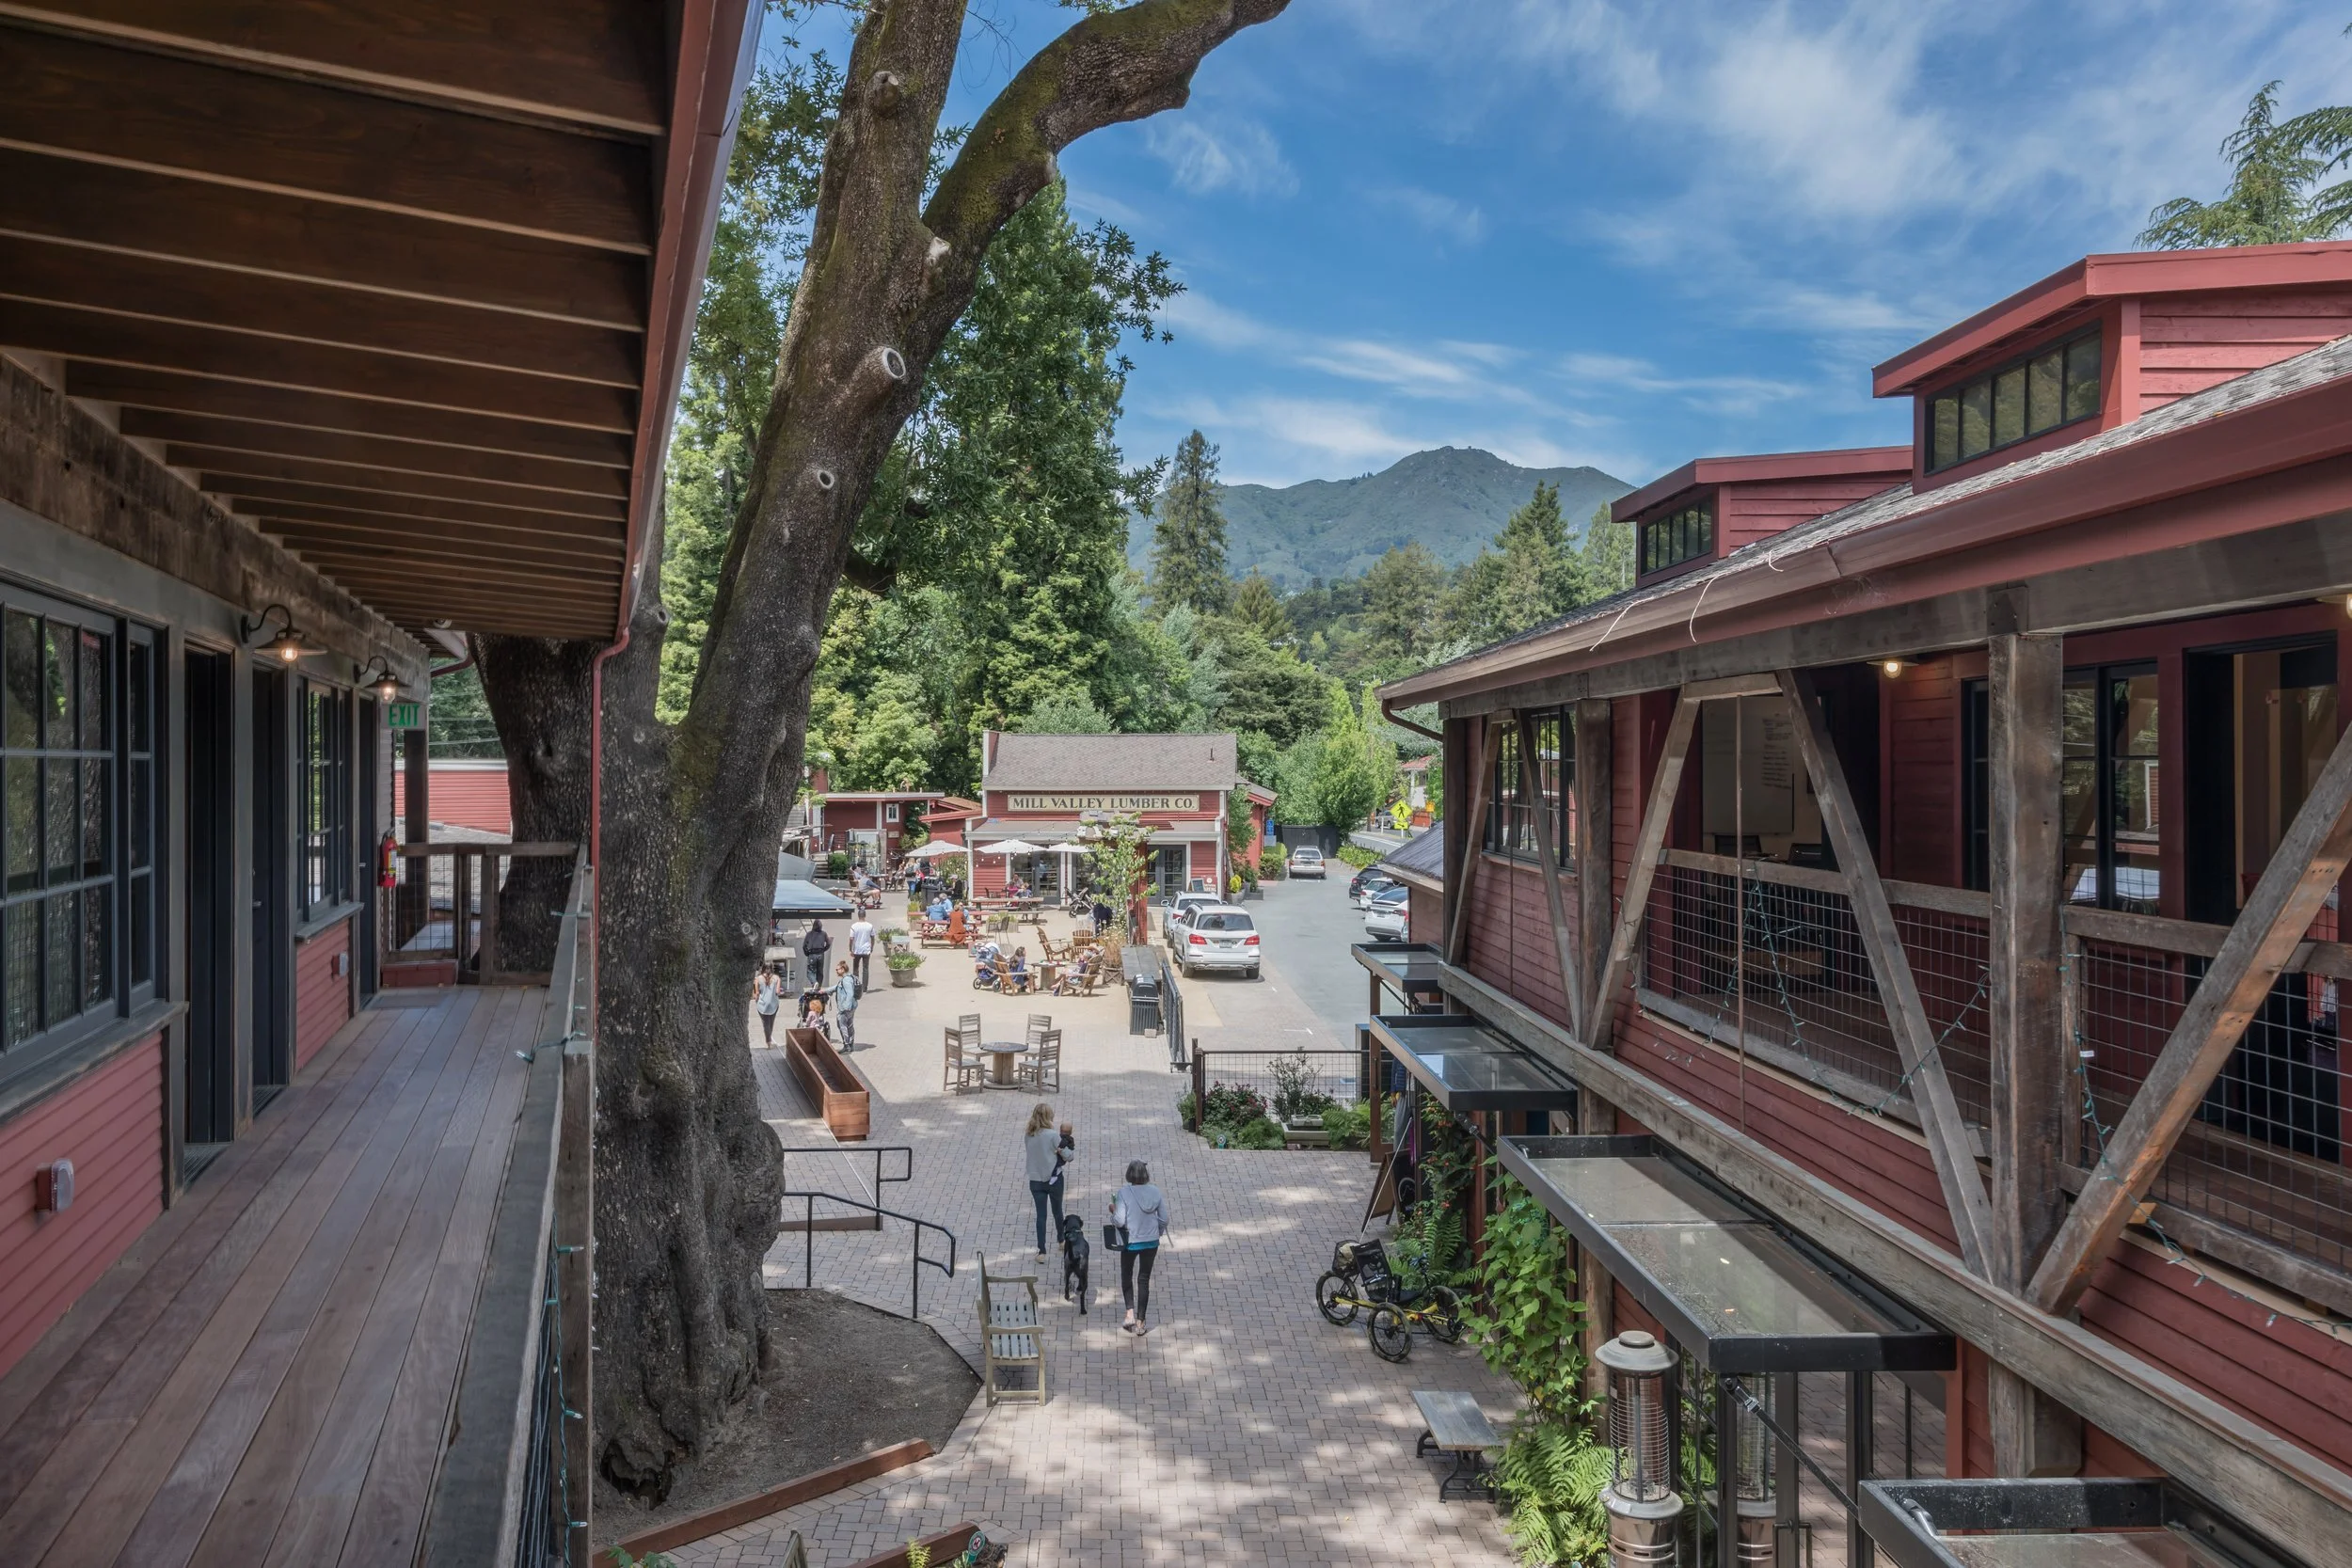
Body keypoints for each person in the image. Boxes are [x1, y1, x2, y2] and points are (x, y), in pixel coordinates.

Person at [1111, 1161, 1170, 1335]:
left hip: (1130, 1241)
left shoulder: (1124, 1193)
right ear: (1145, 1174)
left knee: (1127, 1274)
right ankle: (1141, 1322)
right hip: (1151, 1242)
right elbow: (1164, 1219)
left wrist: (1113, 1211)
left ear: (1129, 1174)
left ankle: (1129, 1312)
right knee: (1144, 1279)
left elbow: (1120, 1220)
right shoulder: (1155, 1191)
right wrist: (1157, 1232)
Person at [1025, 1102, 1063, 1263]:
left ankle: (1042, 1251)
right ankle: (1062, 1241)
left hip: (1035, 1179)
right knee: (1057, 1211)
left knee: (1041, 1216)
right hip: (1054, 1179)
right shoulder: (1053, 1135)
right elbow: (1068, 1155)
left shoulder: (1028, 1134)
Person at [831, 959, 860, 1051]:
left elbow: (850, 994)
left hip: (846, 1008)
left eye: (837, 969)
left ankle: (846, 1045)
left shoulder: (846, 980)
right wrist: (825, 991)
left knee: (842, 1025)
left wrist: (845, 1008)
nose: (836, 971)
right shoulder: (848, 978)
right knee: (850, 1025)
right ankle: (851, 1044)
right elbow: (836, 987)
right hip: (852, 1006)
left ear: (843, 969)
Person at [751, 966, 783, 1045]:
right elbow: (778, 992)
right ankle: (769, 1039)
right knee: (771, 1022)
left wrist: (756, 998)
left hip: (762, 1005)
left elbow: (756, 994)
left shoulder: (757, 979)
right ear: (772, 969)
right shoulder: (777, 978)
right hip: (773, 1004)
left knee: (766, 1024)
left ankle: (768, 1041)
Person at [849, 911, 877, 990]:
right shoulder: (870, 926)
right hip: (866, 950)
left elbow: (851, 939)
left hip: (857, 950)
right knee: (865, 969)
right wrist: (872, 947)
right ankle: (864, 987)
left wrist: (850, 949)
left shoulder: (854, 926)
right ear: (865, 916)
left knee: (855, 968)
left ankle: (856, 985)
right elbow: (873, 937)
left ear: (858, 916)